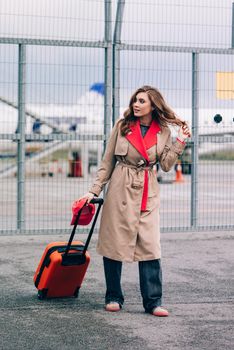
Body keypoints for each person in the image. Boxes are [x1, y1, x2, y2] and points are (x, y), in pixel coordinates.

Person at [79, 85, 191, 317]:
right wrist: (94, 191)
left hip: (148, 190)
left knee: (150, 245)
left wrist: (180, 141)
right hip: (121, 187)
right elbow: (107, 161)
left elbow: (167, 165)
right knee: (114, 242)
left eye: (142, 101)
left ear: (153, 105)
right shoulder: (122, 127)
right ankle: (113, 296)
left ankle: (153, 301)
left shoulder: (163, 132)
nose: (136, 105)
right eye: (135, 101)